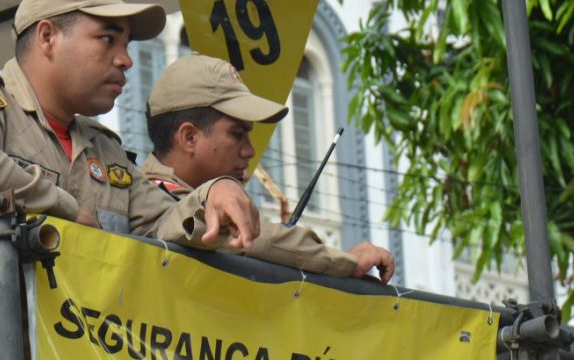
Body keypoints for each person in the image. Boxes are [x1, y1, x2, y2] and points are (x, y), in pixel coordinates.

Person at [0, 0, 262, 265]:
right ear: (48, 37)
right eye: (108, 39)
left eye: (127, 45)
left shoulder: (105, 152)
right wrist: (64, 208)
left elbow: (164, 223)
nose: (126, 60)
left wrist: (214, 195)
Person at [142, 54, 395, 283]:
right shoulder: (146, 197)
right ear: (189, 138)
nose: (249, 151)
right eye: (237, 134)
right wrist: (345, 262)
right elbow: (259, 241)